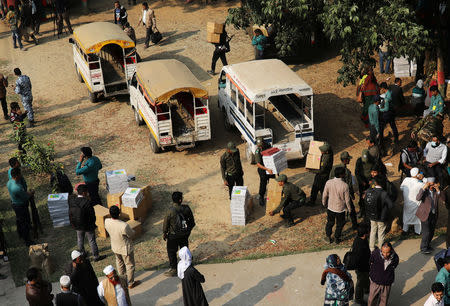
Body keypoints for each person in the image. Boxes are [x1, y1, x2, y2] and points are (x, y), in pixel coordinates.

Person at [68, 184, 106, 262]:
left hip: (77, 225)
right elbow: (92, 214)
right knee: (91, 240)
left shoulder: (73, 201)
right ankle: (96, 256)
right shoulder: (87, 202)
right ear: (84, 193)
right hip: (88, 225)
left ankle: (82, 254)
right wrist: (93, 224)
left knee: (80, 239)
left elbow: (70, 213)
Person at [105, 205, 139, 289]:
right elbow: (131, 234)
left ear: (110, 214)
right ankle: (130, 283)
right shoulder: (124, 225)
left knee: (119, 263)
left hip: (115, 247)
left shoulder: (107, 221)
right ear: (119, 214)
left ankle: (121, 280)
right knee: (129, 265)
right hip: (125, 248)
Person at [163, 191, 195, 277]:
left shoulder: (170, 211)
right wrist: (188, 231)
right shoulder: (186, 208)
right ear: (180, 200)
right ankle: (187, 265)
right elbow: (192, 222)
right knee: (184, 250)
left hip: (173, 235)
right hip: (184, 234)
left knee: (171, 252)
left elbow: (166, 224)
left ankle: (174, 269)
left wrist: (165, 233)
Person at [322, 167, 352, 244]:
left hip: (331, 207)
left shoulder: (329, 182)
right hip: (340, 209)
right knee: (340, 224)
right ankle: (336, 238)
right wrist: (349, 209)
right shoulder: (345, 186)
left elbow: (325, 195)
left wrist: (324, 203)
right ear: (342, 175)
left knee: (330, 222)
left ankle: (328, 237)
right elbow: (347, 200)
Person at [416, 178, 445, 254]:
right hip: (424, 214)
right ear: (427, 184)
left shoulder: (436, 191)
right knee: (426, 232)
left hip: (433, 214)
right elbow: (418, 198)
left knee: (431, 231)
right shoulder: (424, 191)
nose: (431, 186)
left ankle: (427, 244)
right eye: (430, 184)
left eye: (432, 184)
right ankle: (423, 248)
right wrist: (424, 187)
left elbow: (443, 199)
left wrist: (438, 189)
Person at [365, 176, 394, 250]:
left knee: (373, 231)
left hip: (372, 215)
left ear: (376, 183)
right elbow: (391, 205)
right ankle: (381, 248)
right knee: (381, 233)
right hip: (381, 217)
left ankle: (371, 248)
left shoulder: (369, 191)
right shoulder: (384, 193)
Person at [330, 151, 357, 229]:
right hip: (345, 194)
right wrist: (352, 195)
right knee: (351, 210)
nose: (349, 160)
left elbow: (330, 180)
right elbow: (349, 186)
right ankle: (355, 225)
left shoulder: (334, 168)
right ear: (345, 160)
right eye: (348, 159)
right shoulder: (347, 172)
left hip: (335, 194)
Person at [7, 167, 34, 246]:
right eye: (20, 174)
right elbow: (25, 197)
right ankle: (27, 240)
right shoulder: (17, 188)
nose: (21, 175)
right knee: (24, 223)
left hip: (15, 204)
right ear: (16, 176)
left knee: (19, 220)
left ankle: (21, 234)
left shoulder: (9, 182)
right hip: (20, 206)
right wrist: (31, 193)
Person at [400, 168, 424, 235]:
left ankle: (405, 230)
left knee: (406, 216)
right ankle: (417, 232)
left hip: (407, 203)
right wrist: (421, 179)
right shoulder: (420, 184)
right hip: (416, 204)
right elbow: (425, 188)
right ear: (417, 174)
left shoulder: (406, 179)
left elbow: (401, 188)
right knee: (417, 218)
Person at [352, 225, 371, 305]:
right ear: (365, 234)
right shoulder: (360, 244)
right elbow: (359, 258)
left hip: (365, 266)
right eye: (368, 231)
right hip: (361, 267)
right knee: (360, 282)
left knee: (366, 278)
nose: (370, 232)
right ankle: (358, 298)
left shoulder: (361, 239)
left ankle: (367, 289)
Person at [355, 149, 377, 218]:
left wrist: (372, 181)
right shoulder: (359, 161)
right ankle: (362, 210)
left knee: (370, 196)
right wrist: (361, 181)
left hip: (370, 182)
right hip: (362, 182)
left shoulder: (373, 161)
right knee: (362, 197)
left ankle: (369, 211)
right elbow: (357, 173)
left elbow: (375, 172)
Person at [379, 82, 399, 146]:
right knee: (393, 125)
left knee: (381, 125)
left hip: (388, 113)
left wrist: (379, 109)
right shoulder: (390, 92)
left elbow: (386, 109)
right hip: (392, 112)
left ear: (383, 88)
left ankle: (381, 140)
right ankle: (396, 138)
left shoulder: (387, 97)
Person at [254, 138, 273, 206]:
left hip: (270, 168)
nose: (260, 147)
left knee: (273, 181)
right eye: (259, 146)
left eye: (261, 145)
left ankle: (273, 194)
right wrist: (267, 169)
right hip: (263, 169)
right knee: (263, 183)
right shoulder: (258, 151)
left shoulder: (268, 146)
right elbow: (258, 164)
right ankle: (261, 197)